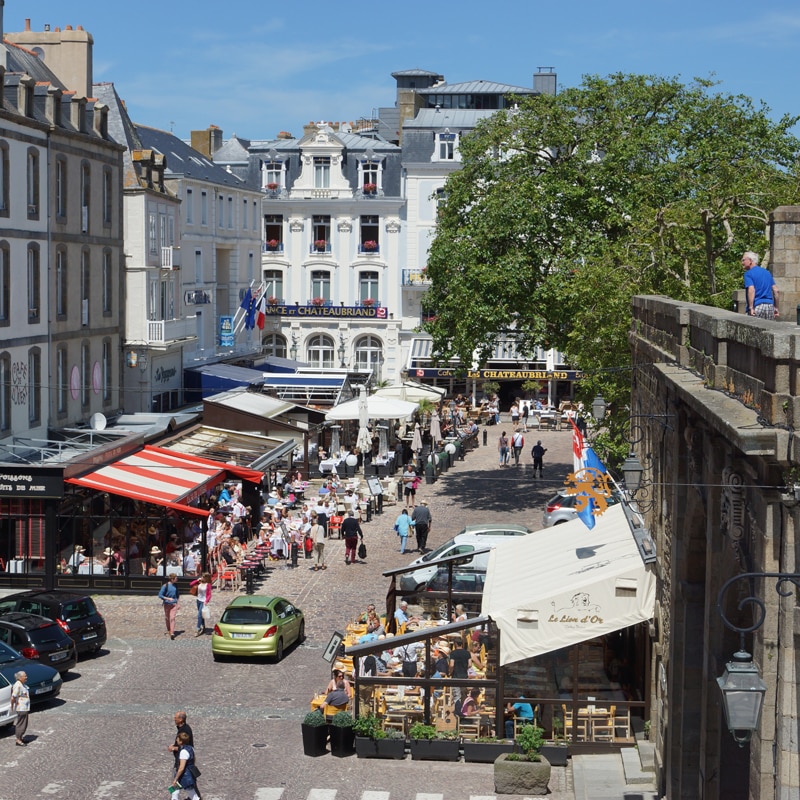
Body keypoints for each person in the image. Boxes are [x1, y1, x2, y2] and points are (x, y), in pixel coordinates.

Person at [743, 251, 779, 319]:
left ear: (750, 260)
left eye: (743, 260)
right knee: (769, 329)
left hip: (757, 305)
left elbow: (751, 289)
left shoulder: (748, 274)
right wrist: (776, 307)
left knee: (753, 328)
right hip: (770, 306)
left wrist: (751, 307)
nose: (742, 263)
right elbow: (776, 290)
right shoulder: (767, 273)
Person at [170, 730, 200, 800]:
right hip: (187, 774)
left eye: (177, 739)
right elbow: (194, 759)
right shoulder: (191, 748)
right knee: (174, 791)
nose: (176, 740)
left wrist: (175, 779)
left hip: (185, 777)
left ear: (181, 741)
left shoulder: (183, 752)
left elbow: (181, 768)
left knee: (193, 795)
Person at [158, 573, 180, 639]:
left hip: (174, 604)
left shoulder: (175, 586)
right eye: (176, 578)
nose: (177, 579)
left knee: (172, 618)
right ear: (172, 579)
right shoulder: (165, 586)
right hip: (167, 604)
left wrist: (178, 603)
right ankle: (169, 629)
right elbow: (160, 595)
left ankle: (172, 632)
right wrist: (168, 598)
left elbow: (177, 595)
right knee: (167, 617)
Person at [10, 670, 29, 746]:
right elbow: (13, 697)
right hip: (21, 708)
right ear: (20, 678)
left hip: (24, 708)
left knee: (24, 723)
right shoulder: (18, 685)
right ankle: (18, 740)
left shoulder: (22, 684)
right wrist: (12, 706)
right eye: (25, 676)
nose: (26, 677)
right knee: (21, 724)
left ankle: (20, 738)